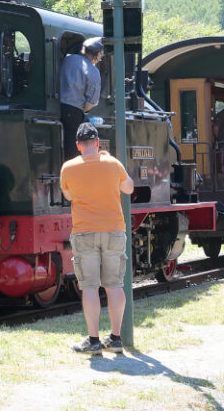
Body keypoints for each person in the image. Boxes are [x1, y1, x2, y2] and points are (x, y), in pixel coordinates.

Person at [60, 122, 135, 354]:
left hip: (84, 232)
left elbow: (69, 194)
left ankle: (93, 341)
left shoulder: (68, 167)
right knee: (114, 285)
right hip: (113, 231)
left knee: (90, 287)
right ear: (97, 143)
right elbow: (129, 188)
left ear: (78, 146)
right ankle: (115, 338)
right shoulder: (113, 163)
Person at [60, 37, 103, 160]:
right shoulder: (93, 71)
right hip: (73, 111)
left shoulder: (66, 60)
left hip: (54, 107)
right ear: (97, 54)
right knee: (73, 151)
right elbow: (92, 102)